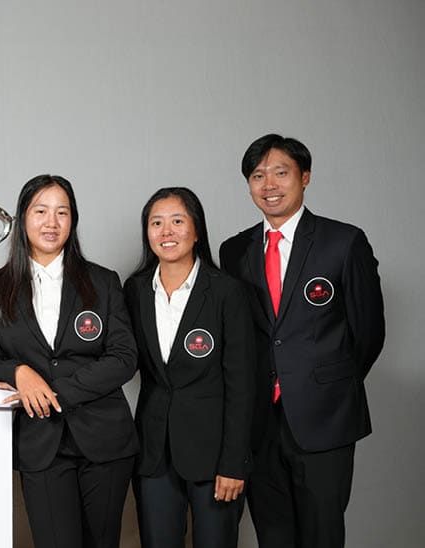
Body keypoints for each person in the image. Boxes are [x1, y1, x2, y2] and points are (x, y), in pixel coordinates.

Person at [219, 134, 385, 548]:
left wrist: (323, 382)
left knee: (322, 534)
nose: (269, 185)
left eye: (281, 173)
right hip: (260, 423)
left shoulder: (343, 242)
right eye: (258, 176)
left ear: (305, 177)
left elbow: (369, 333)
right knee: (273, 535)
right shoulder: (234, 250)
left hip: (323, 419)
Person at [0, 174, 137, 548]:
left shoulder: (103, 281)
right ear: (23, 219)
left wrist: (56, 391)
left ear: (73, 220)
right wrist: (19, 371)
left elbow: (125, 357)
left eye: (62, 212)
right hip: (40, 441)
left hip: (105, 441)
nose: (52, 222)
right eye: (41, 211)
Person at [123, 187, 255, 548]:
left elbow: (243, 385)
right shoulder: (133, 291)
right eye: (157, 223)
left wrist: (234, 463)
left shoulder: (227, 292)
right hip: (154, 454)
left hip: (215, 457)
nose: (167, 232)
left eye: (178, 221)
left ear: (197, 230)